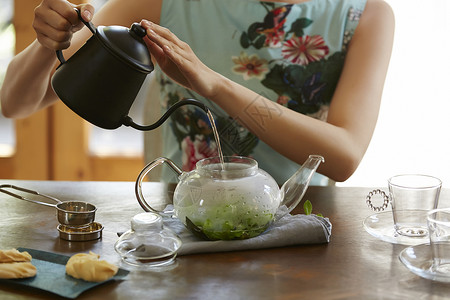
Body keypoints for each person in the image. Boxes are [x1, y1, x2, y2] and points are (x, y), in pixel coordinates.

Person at [0, 0, 394, 185]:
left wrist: (214, 84)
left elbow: (343, 157)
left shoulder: (366, 15)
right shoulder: (163, 1)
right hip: (178, 227)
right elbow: (17, 102)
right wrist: (44, 43)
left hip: (299, 229)